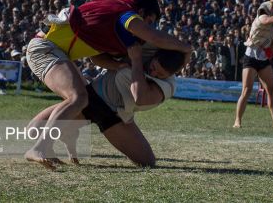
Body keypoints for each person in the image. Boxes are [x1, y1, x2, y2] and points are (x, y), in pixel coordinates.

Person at [25, 0, 191, 168]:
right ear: (140, 12)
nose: (147, 28)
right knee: (76, 100)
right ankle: (40, 147)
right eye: (148, 21)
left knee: (148, 161)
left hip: (109, 106)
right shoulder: (125, 15)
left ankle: (64, 134)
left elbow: (96, 59)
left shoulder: (122, 28)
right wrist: (187, 49)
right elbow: (154, 37)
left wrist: (118, 65)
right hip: (47, 48)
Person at [27, 45, 185, 169]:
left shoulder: (167, 85)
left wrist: (135, 61)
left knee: (148, 162)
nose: (155, 73)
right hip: (93, 99)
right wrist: (117, 64)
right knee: (33, 130)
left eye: (160, 74)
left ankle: (69, 132)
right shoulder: (143, 52)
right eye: (154, 67)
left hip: (116, 117)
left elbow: (140, 97)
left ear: (170, 75)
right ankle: (65, 134)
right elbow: (95, 57)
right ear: (155, 57)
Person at [233, 0, 273, 128]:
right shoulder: (262, 18)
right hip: (251, 58)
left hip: (264, 59)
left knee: (271, 90)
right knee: (246, 90)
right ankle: (237, 121)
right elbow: (270, 19)